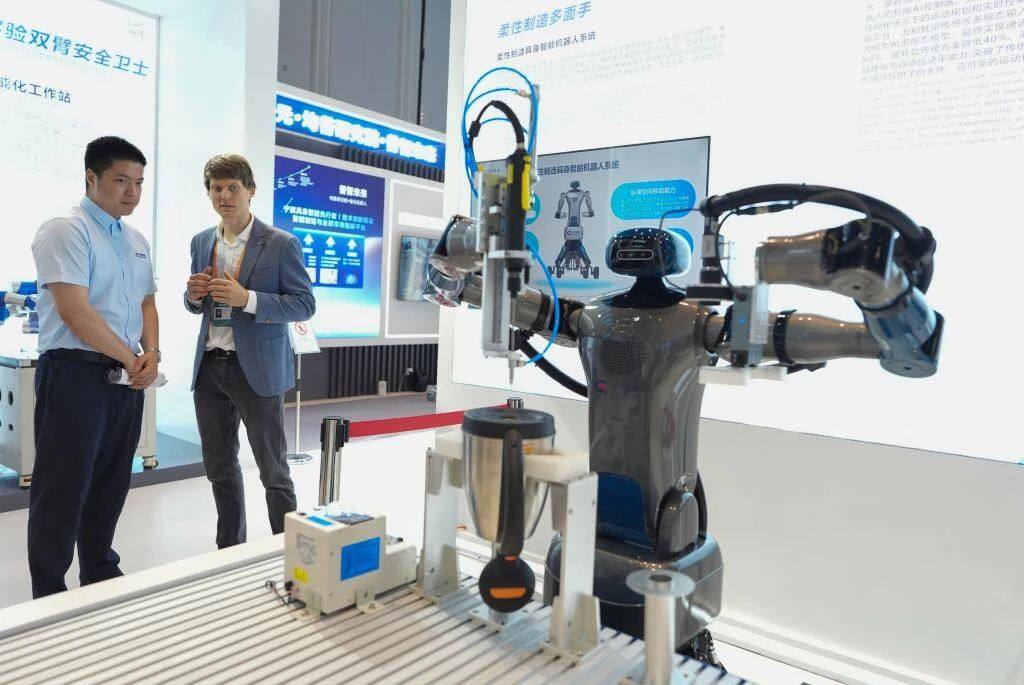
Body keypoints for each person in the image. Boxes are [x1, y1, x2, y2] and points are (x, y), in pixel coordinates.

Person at [27, 136, 160, 598]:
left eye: (139, 183)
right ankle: (49, 593)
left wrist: (152, 354)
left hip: (127, 378)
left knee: (110, 485)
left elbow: (147, 304)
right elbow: (75, 312)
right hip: (75, 374)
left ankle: (100, 576)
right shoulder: (65, 230)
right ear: (91, 178)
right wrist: (131, 357)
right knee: (62, 491)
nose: (132, 192)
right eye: (121, 181)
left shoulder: (137, 241)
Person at [185, 153, 315, 548]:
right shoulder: (201, 241)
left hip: (256, 370)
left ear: (251, 191)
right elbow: (196, 304)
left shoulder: (280, 244)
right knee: (220, 470)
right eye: (216, 188)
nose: (224, 196)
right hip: (210, 367)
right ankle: (229, 550)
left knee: (273, 471)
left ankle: (287, 552)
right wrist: (192, 297)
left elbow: (304, 304)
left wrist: (249, 299)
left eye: (233, 188)